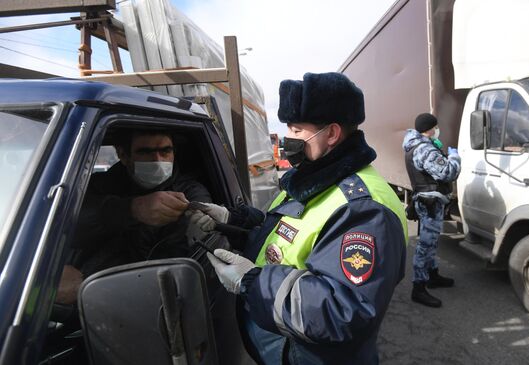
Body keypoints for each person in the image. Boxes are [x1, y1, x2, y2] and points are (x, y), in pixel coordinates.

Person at [204, 72, 408, 364]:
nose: (288, 139)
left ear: (332, 133)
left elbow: (344, 309)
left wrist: (253, 282)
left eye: (297, 130)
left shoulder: (363, 208)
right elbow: (284, 233)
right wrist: (233, 220)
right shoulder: (311, 178)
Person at [71, 129, 218, 278]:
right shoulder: (100, 185)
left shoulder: (190, 194)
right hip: (85, 283)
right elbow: (67, 224)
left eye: (165, 151)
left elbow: (179, 262)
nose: (158, 159)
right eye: (145, 152)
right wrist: (131, 209)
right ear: (123, 155)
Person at [402, 113, 461, 308]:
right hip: (430, 202)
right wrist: (454, 157)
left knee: (431, 242)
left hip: (429, 201)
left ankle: (432, 276)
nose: (438, 130)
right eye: (436, 127)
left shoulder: (417, 145)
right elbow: (447, 172)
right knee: (425, 245)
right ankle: (418, 288)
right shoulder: (425, 150)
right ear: (431, 128)